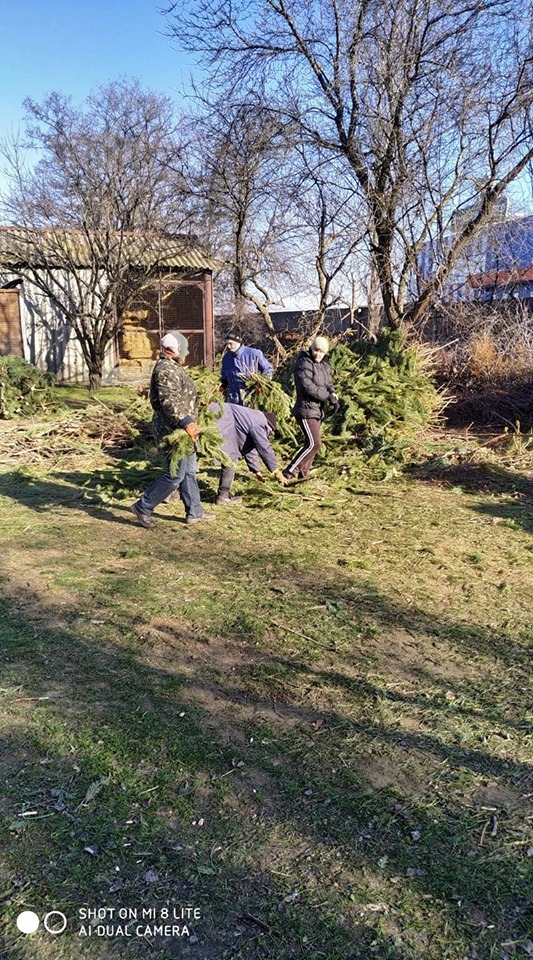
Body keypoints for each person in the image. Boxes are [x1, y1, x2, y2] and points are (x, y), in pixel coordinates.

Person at [130, 333, 215, 527]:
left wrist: (196, 403)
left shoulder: (173, 366)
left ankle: (195, 512)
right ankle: (143, 507)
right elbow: (169, 401)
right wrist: (187, 422)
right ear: (174, 350)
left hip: (183, 431)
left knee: (189, 471)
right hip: (173, 430)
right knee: (175, 475)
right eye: (184, 349)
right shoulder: (166, 369)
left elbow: (180, 395)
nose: (187, 353)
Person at [282, 335, 339, 482]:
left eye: (321, 351)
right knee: (314, 443)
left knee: (312, 444)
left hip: (317, 410)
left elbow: (328, 383)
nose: (318, 354)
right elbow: (307, 387)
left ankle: (303, 475)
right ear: (311, 349)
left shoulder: (324, 366)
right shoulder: (303, 363)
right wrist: (327, 396)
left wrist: (333, 393)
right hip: (305, 409)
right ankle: (289, 472)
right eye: (316, 350)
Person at [210, 402, 288, 503]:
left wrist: (257, 471)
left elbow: (249, 447)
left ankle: (223, 494)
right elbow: (265, 448)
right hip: (220, 417)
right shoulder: (259, 424)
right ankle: (222, 497)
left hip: (224, 416)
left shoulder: (254, 418)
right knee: (230, 459)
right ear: (269, 426)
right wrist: (276, 471)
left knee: (231, 457)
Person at [220, 331, 273, 405]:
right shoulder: (226, 358)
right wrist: (221, 387)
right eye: (227, 344)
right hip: (234, 400)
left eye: (230, 343)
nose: (228, 346)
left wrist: (262, 384)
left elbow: (268, 369)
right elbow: (224, 378)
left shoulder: (253, 354)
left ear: (238, 342)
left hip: (251, 398)